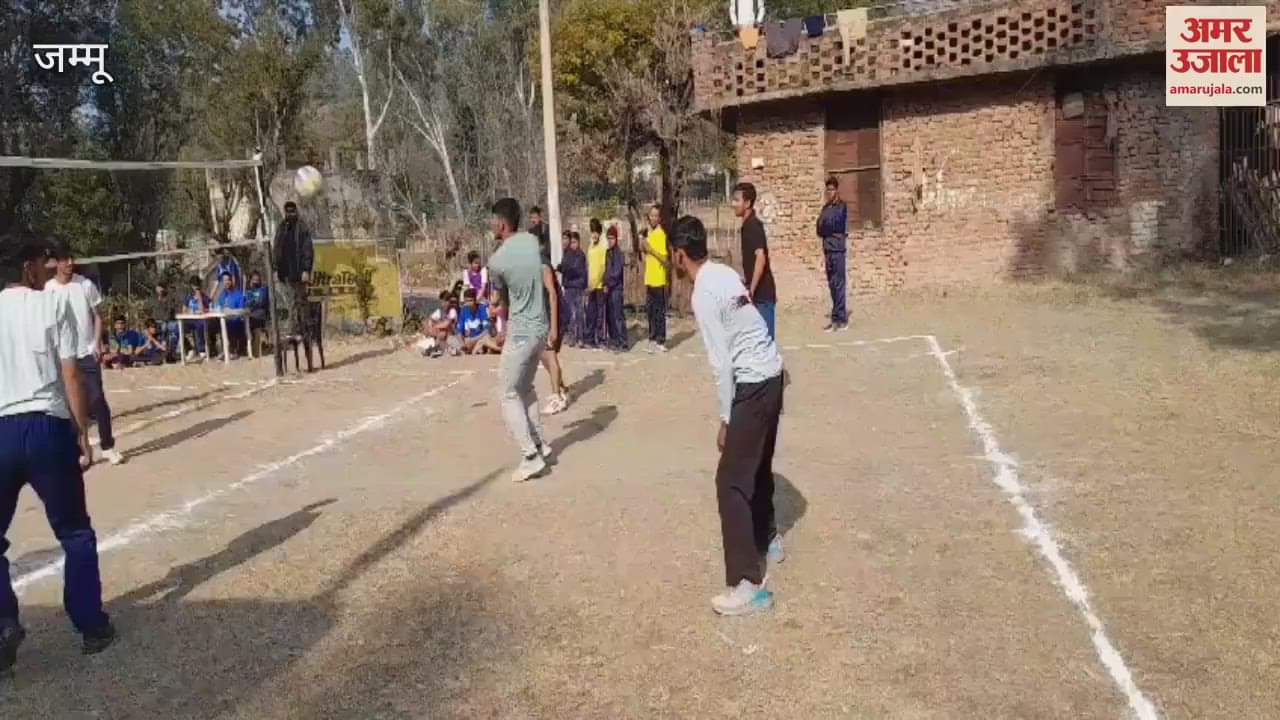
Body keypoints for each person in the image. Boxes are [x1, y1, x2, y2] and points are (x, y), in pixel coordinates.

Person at [1, 240, 117, 676]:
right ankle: (91, 626)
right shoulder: (51, 305)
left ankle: (3, 623)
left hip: (1, 428)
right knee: (74, 531)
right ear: (29, 268)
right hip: (47, 426)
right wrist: (82, 433)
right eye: (43, 264)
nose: (48, 270)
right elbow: (70, 373)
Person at [671, 215, 785, 617]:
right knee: (758, 464)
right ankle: (768, 536)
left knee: (730, 482)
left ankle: (747, 584)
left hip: (753, 383)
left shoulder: (703, 292)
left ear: (679, 255)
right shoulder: (724, 272)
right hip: (773, 374)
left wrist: (725, 419)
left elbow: (721, 364)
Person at [486, 198, 555, 483]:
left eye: (493, 221)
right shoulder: (531, 241)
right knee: (525, 388)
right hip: (540, 328)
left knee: (507, 392)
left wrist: (495, 308)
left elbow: (500, 301)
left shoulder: (496, 261)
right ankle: (540, 444)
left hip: (522, 332)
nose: (491, 225)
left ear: (502, 224)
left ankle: (530, 456)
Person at [44, 246, 124, 467]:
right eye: (65, 259)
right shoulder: (48, 289)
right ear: (56, 263)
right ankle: (81, 450)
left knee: (97, 399)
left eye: (71, 258)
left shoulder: (85, 285)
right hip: (63, 355)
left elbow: (98, 316)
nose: (70, 262)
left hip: (87, 352)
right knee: (71, 406)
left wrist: (97, 342)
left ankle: (108, 447)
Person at [733, 182, 778, 341]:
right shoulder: (746, 225)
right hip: (756, 295)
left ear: (747, 203)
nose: (733, 204)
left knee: (765, 342)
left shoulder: (753, 225)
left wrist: (751, 290)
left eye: (737, 200)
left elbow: (760, 257)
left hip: (763, 295)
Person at [273, 201, 315, 347]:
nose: (290, 214)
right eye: (288, 211)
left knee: (300, 302)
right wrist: (276, 269)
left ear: (296, 211)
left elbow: (307, 250)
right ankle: (294, 331)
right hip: (286, 273)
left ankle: (303, 331)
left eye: (292, 211)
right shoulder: (281, 227)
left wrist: (306, 270)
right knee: (291, 302)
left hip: (299, 272)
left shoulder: (302, 227)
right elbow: (277, 249)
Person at [816, 176, 849, 332]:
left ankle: (841, 319)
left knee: (839, 284)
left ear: (836, 190)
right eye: (827, 190)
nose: (829, 192)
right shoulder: (825, 208)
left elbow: (834, 224)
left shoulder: (841, 207)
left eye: (832, 189)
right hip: (828, 250)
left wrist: (827, 227)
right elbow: (819, 228)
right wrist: (826, 227)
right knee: (831, 285)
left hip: (838, 250)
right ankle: (835, 317)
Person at [642, 205, 670, 353]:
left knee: (659, 311)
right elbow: (644, 252)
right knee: (650, 311)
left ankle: (661, 340)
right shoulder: (649, 233)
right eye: (651, 215)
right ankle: (652, 338)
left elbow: (664, 259)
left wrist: (651, 250)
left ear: (659, 218)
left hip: (658, 279)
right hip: (649, 278)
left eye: (655, 215)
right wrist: (643, 244)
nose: (653, 218)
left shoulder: (661, 234)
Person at [559, 231, 588, 348]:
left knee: (579, 313)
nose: (572, 245)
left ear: (579, 242)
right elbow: (563, 266)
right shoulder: (567, 254)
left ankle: (580, 338)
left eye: (575, 242)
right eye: (571, 242)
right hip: (569, 287)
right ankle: (571, 336)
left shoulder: (580, 255)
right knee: (570, 313)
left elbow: (576, 270)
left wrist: (566, 269)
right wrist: (561, 268)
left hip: (578, 287)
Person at [603, 225, 627, 352]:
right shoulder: (608, 253)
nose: (610, 241)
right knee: (610, 316)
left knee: (618, 316)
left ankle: (623, 342)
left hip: (616, 289)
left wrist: (608, 285)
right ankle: (614, 340)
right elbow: (606, 271)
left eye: (612, 238)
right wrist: (604, 283)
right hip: (608, 289)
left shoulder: (619, 254)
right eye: (608, 238)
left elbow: (616, 273)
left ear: (616, 239)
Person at [213, 272, 247, 358]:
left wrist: (230, 311)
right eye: (224, 280)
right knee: (212, 324)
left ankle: (232, 350)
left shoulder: (238, 294)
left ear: (232, 281)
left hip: (236, 320)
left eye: (228, 280)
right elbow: (218, 307)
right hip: (224, 320)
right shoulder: (222, 295)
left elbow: (242, 311)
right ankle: (220, 350)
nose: (226, 282)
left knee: (231, 324)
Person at [585, 219, 607, 349]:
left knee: (600, 314)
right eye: (592, 231)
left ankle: (601, 339)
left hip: (599, 286)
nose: (594, 234)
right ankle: (590, 339)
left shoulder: (602, 246)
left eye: (596, 232)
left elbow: (603, 268)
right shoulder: (591, 246)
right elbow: (589, 266)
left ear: (599, 232)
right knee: (590, 313)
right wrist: (589, 284)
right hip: (591, 285)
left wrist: (596, 283)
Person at [146, 282, 179, 361]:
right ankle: (156, 352)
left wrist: (165, 320)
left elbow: (170, 311)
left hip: (166, 321)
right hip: (155, 321)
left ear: (164, 289)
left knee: (174, 328)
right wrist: (151, 319)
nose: (159, 290)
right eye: (158, 288)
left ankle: (170, 353)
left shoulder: (169, 298)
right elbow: (147, 309)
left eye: (161, 288)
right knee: (152, 329)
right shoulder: (153, 298)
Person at [183, 275, 211, 361]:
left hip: (201, 320)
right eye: (194, 285)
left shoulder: (204, 297)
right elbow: (184, 311)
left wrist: (199, 298)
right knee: (179, 327)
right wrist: (189, 312)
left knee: (200, 326)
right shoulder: (188, 297)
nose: (196, 288)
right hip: (190, 320)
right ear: (191, 286)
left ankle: (202, 350)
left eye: (197, 285)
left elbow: (206, 309)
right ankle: (190, 349)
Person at [458, 289, 491, 354]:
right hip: (469, 339)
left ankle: (477, 349)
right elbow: (460, 331)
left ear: (475, 300)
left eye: (471, 300)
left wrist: (474, 340)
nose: (468, 303)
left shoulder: (481, 308)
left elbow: (486, 329)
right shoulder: (463, 310)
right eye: (466, 301)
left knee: (487, 336)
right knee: (458, 340)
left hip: (480, 337)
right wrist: (462, 343)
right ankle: (473, 349)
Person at [246, 272, 270, 354]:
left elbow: (261, 302)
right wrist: (254, 301)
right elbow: (247, 303)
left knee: (255, 325)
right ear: (251, 280)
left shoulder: (263, 289)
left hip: (260, 315)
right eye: (254, 279)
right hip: (250, 315)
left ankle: (257, 349)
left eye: (257, 279)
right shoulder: (249, 291)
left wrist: (252, 302)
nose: (256, 281)